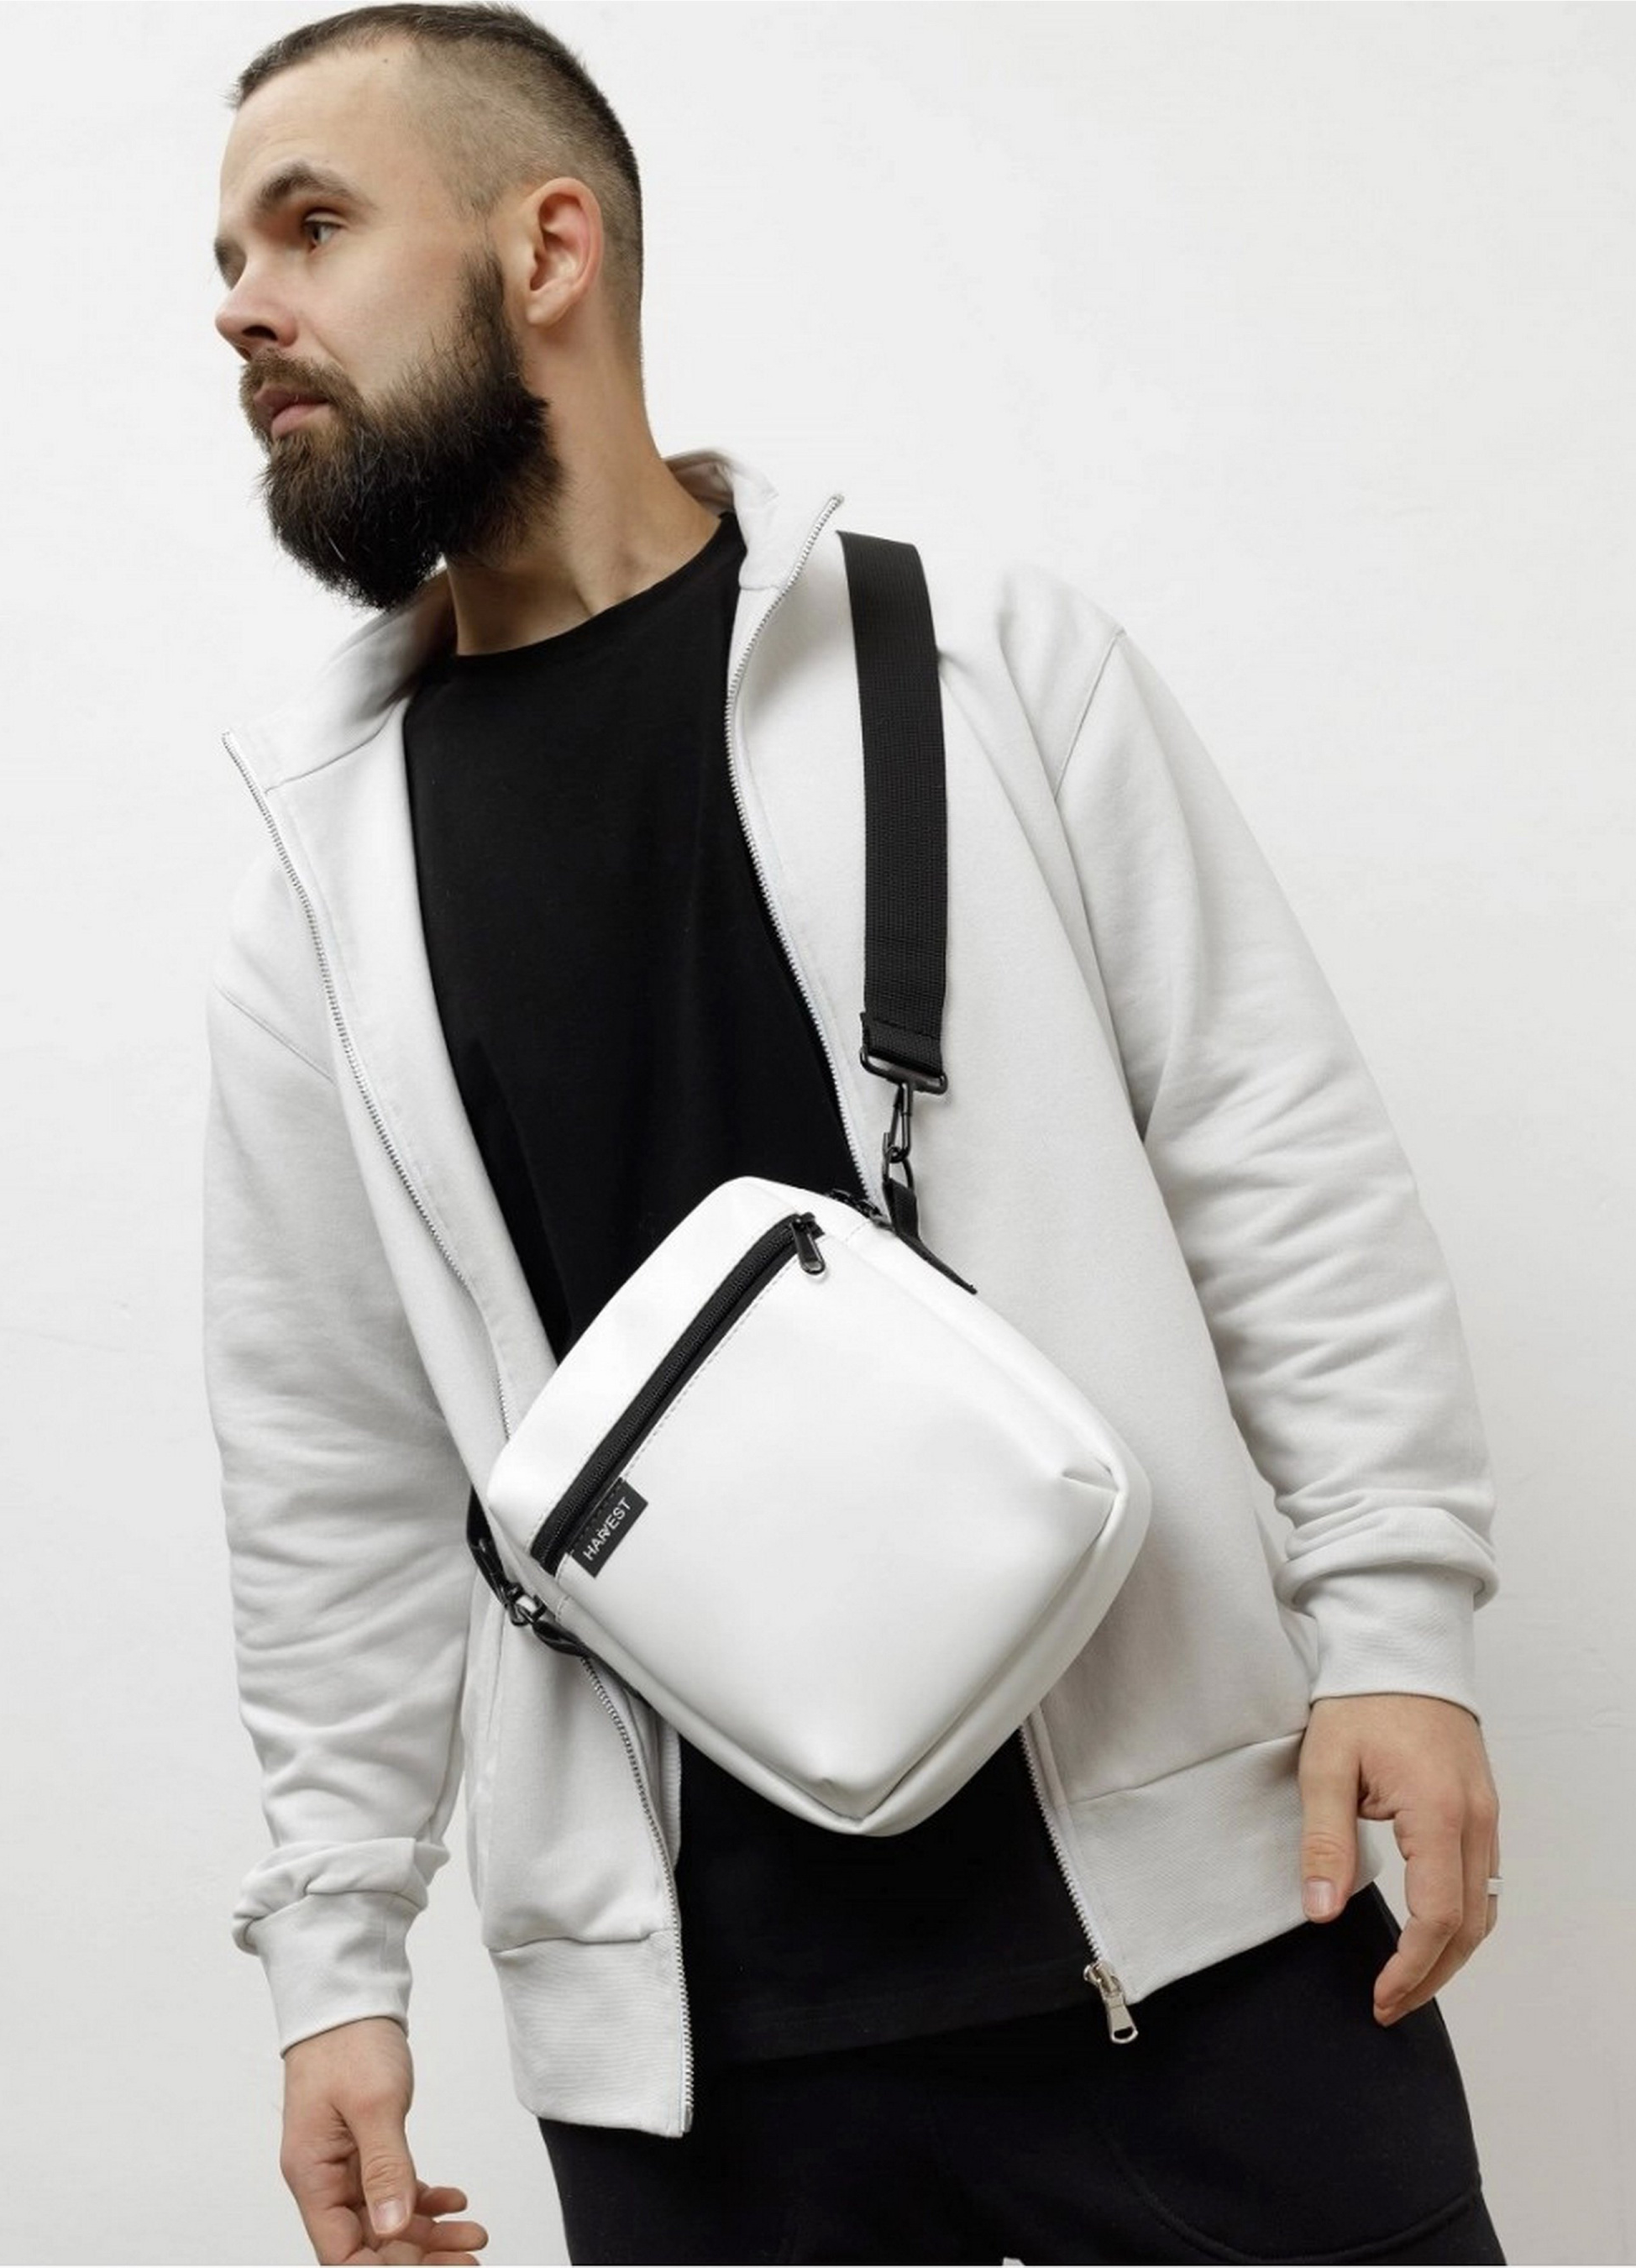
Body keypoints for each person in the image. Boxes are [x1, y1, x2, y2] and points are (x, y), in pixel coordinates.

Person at [202, 7, 1508, 2263]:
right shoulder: (323, 881)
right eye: (227, 258)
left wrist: (1395, 1619)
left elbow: (1268, 1152)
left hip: (1199, 1927)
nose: (244, 305)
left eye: (310, 225)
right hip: (695, 2059)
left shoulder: (974, 659)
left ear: (547, 250)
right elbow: (324, 1454)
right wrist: (336, 1957)